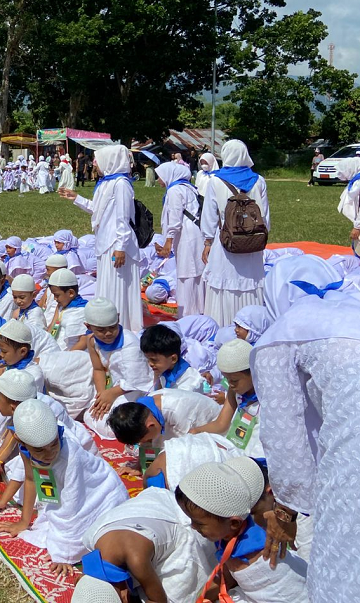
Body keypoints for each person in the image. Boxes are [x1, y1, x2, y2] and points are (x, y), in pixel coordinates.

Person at [251, 255, 360, 602]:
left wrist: (285, 509)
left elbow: (285, 435)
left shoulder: (282, 335)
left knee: (345, 548)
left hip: (353, 443)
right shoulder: (351, 308)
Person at [0, 398, 129, 575]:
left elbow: (72, 505)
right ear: (19, 440)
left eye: (53, 445)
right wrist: (24, 521)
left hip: (101, 493)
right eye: (40, 450)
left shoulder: (70, 455)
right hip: (64, 490)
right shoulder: (26, 447)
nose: (49, 454)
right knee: (44, 522)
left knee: (98, 534)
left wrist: (64, 552)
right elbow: (30, 478)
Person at [175, 463, 309, 602]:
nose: (193, 527)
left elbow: (288, 595)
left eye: (199, 523)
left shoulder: (259, 557)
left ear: (234, 523)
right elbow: (228, 575)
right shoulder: (228, 536)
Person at [81, 486, 216, 603]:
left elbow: (159, 600)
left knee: (177, 594)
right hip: (142, 510)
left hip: (166, 512)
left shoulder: (136, 559)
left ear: (123, 593)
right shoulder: (91, 558)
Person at [59, 145, 142, 331]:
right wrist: (76, 198)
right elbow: (97, 210)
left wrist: (121, 246)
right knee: (108, 284)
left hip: (117, 244)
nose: (95, 166)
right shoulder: (106, 183)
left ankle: (122, 325)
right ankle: (106, 321)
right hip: (105, 242)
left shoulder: (121, 184)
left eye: (97, 162)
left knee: (118, 284)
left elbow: (123, 217)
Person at [200, 140, 269, 326]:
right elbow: (265, 218)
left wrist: (207, 242)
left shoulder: (215, 181)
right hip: (252, 245)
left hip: (225, 243)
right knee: (250, 284)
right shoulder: (259, 181)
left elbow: (209, 216)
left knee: (224, 283)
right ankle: (250, 326)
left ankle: (223, 325)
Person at [82, 297, 155, 439]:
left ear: (118, 319)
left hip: (134, 389)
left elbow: (138, 380)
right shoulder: (91, 340)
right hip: (112, 388)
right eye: (101, 330)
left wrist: (112, 394)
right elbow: (98, 369)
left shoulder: (130, 344)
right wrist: (102, 395)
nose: (108, 333)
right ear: (88, 327)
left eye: (112, 327)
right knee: (90, 413)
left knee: (111, 426)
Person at [156, 162, 206, 317]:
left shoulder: (175, 190)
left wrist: (168, 242)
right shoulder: (189, 187)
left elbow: (175, 219)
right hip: (194, 233)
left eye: (160, 176)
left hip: (185, 235)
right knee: (196, 272)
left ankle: (188, 313)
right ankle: (200, 309)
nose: (158, 180)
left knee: (187, 274)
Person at [46, 268, 88, 351]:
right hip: (55, 349)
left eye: (57, 295)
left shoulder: (83, 310)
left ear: (71, 293)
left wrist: (66, 357)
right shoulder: (60, 306)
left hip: (73, 354)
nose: (55, 299)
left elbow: (84, 341)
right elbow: (52, 326)